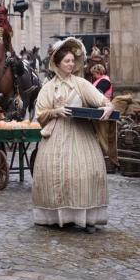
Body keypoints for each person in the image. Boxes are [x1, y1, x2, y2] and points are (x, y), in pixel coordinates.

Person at [33, 37, 114, 233]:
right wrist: (55, 112)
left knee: (84, 172)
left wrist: (109, 108)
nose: (71, 64)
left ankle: (85, 217)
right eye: (66, 61)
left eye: (72, 61)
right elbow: (40, 114)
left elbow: (103, 101)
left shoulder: (81, 84)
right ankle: (59, 217)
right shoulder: (48, 87)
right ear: (57, 64)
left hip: (81, 134)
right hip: (55, 135)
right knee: (55, 174)